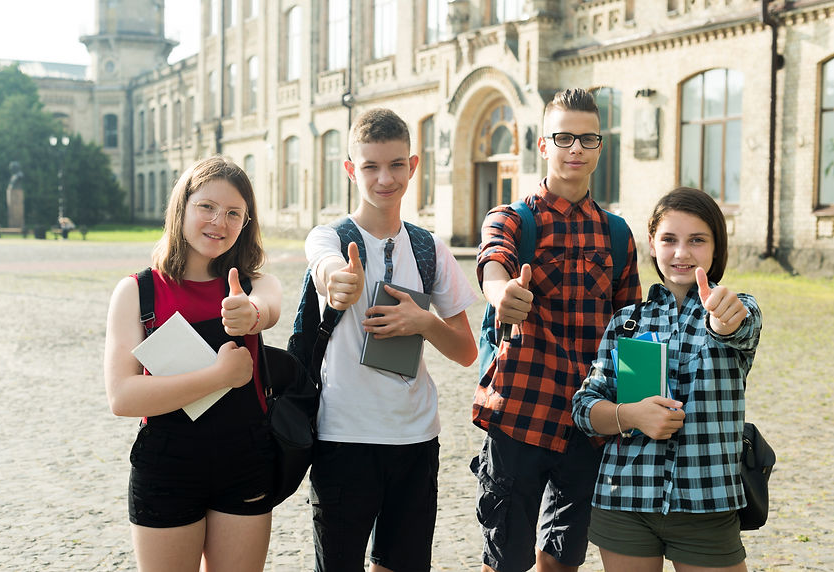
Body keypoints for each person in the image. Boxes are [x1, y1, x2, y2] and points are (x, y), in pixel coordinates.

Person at [472, 88, 642, 572]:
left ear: (599, 148)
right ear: (543, 145)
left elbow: (630, 328)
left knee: (564, 558)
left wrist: (633, 409)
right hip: (521, 413)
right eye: (563, 137)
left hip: (588, 425)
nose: (575, 149)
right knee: (505, 559)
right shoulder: (511, 219)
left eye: (587, 139)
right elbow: (493, 263)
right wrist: (501, 293)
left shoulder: (617, 234)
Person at [304, 107, 478, 572]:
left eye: (396, 164)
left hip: (416, 438)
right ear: (350, 170)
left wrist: (424, 322)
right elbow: (324, 267)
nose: (385, 178)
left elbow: (466, 351)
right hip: (343, 436)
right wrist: (340, 279)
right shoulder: (329, 237)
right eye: (370, 166)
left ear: (413, 166)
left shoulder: (429, 248)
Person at [103, 156, 282, 572]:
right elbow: (123, 397)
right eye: (207, 207)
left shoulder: (256, 283)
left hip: (245, 456)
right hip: (168, 462)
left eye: (233, 213)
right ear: (181, 206)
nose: (219, 222)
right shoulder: (136, 292)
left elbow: (266, 309)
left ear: (245, 222)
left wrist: (249, 314)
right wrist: (218, 376)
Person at [572, 187, 762, 571]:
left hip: (706, 503)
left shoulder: (737, 307)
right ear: (652, 244)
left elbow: (735, 327)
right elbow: (584, 406)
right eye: (669, 240)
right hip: (625, 501)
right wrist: (631, 415)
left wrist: (723, 319)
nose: (681, 253)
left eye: (697, 240)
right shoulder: (626, 322)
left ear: (716, 246)